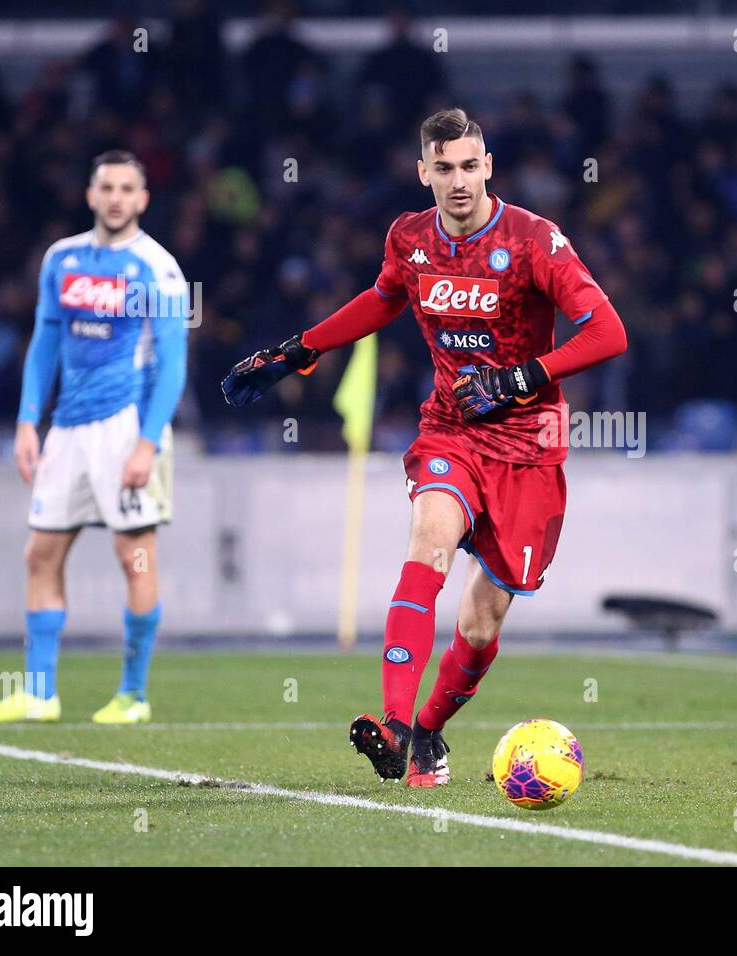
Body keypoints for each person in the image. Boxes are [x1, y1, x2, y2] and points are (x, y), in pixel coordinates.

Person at [222, 108, 627, 786]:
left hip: (529, 450)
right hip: (452, 431)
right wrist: (300, 352)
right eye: (444, 168)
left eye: (470, 166)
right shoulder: (409, 238)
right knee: (428, 541)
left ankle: (431, 733)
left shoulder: (534, 240)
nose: (458, 181)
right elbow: (384, 299)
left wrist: (526, 375)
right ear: (424, 173)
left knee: (478, 625)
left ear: (488, 167)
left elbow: (607, 331)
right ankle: (395, 725)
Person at [0, 151, 188, 725]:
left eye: (127, 188)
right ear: (90, 195)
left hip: (127, 425)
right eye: (106, 187)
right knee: (40, 552)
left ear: (143, 199)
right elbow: (45, 343)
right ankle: (40, 694)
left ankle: (133, 695)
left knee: (134, 556)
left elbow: (172, 364)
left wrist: (147, 442)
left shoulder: (158, 268)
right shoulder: (61, 259)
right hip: (66, 427)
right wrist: (26, 420)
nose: (116, 197)